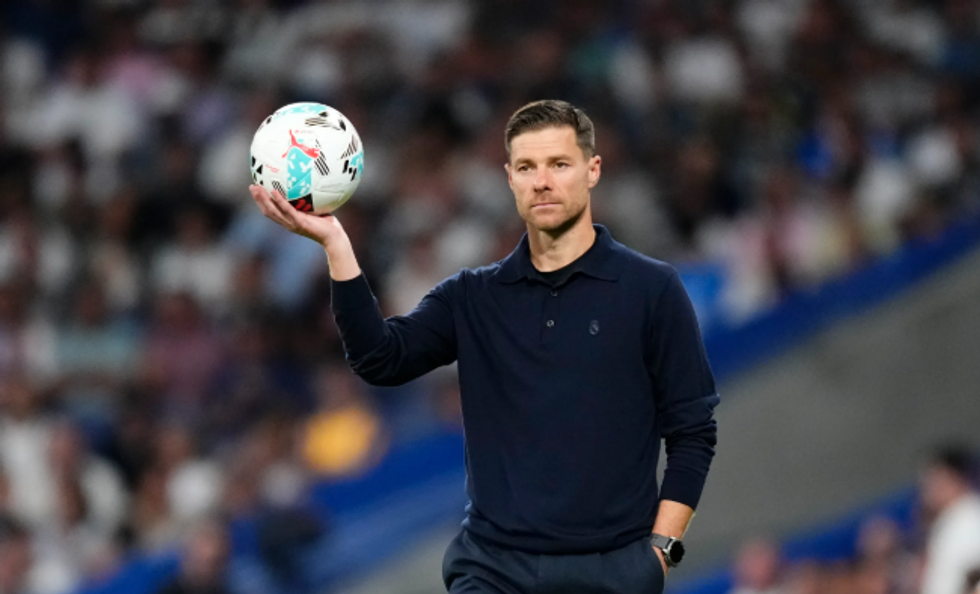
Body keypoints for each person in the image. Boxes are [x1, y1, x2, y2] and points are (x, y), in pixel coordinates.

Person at [249, 99, 719, 593]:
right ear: (510, 178)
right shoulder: (471, 296)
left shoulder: (651, 290)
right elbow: (379, 359)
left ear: (593, 170)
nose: (542, 181)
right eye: (527, 167)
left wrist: (661, 551)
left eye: (559, 164)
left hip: (612, 570)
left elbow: (692, 431)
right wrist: (336, 244)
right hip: (494, 570)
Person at [918, 445, 980, 594]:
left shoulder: (971, 517)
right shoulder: (948, 521)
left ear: (953, 477)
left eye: (934, 479)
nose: (928, 490)